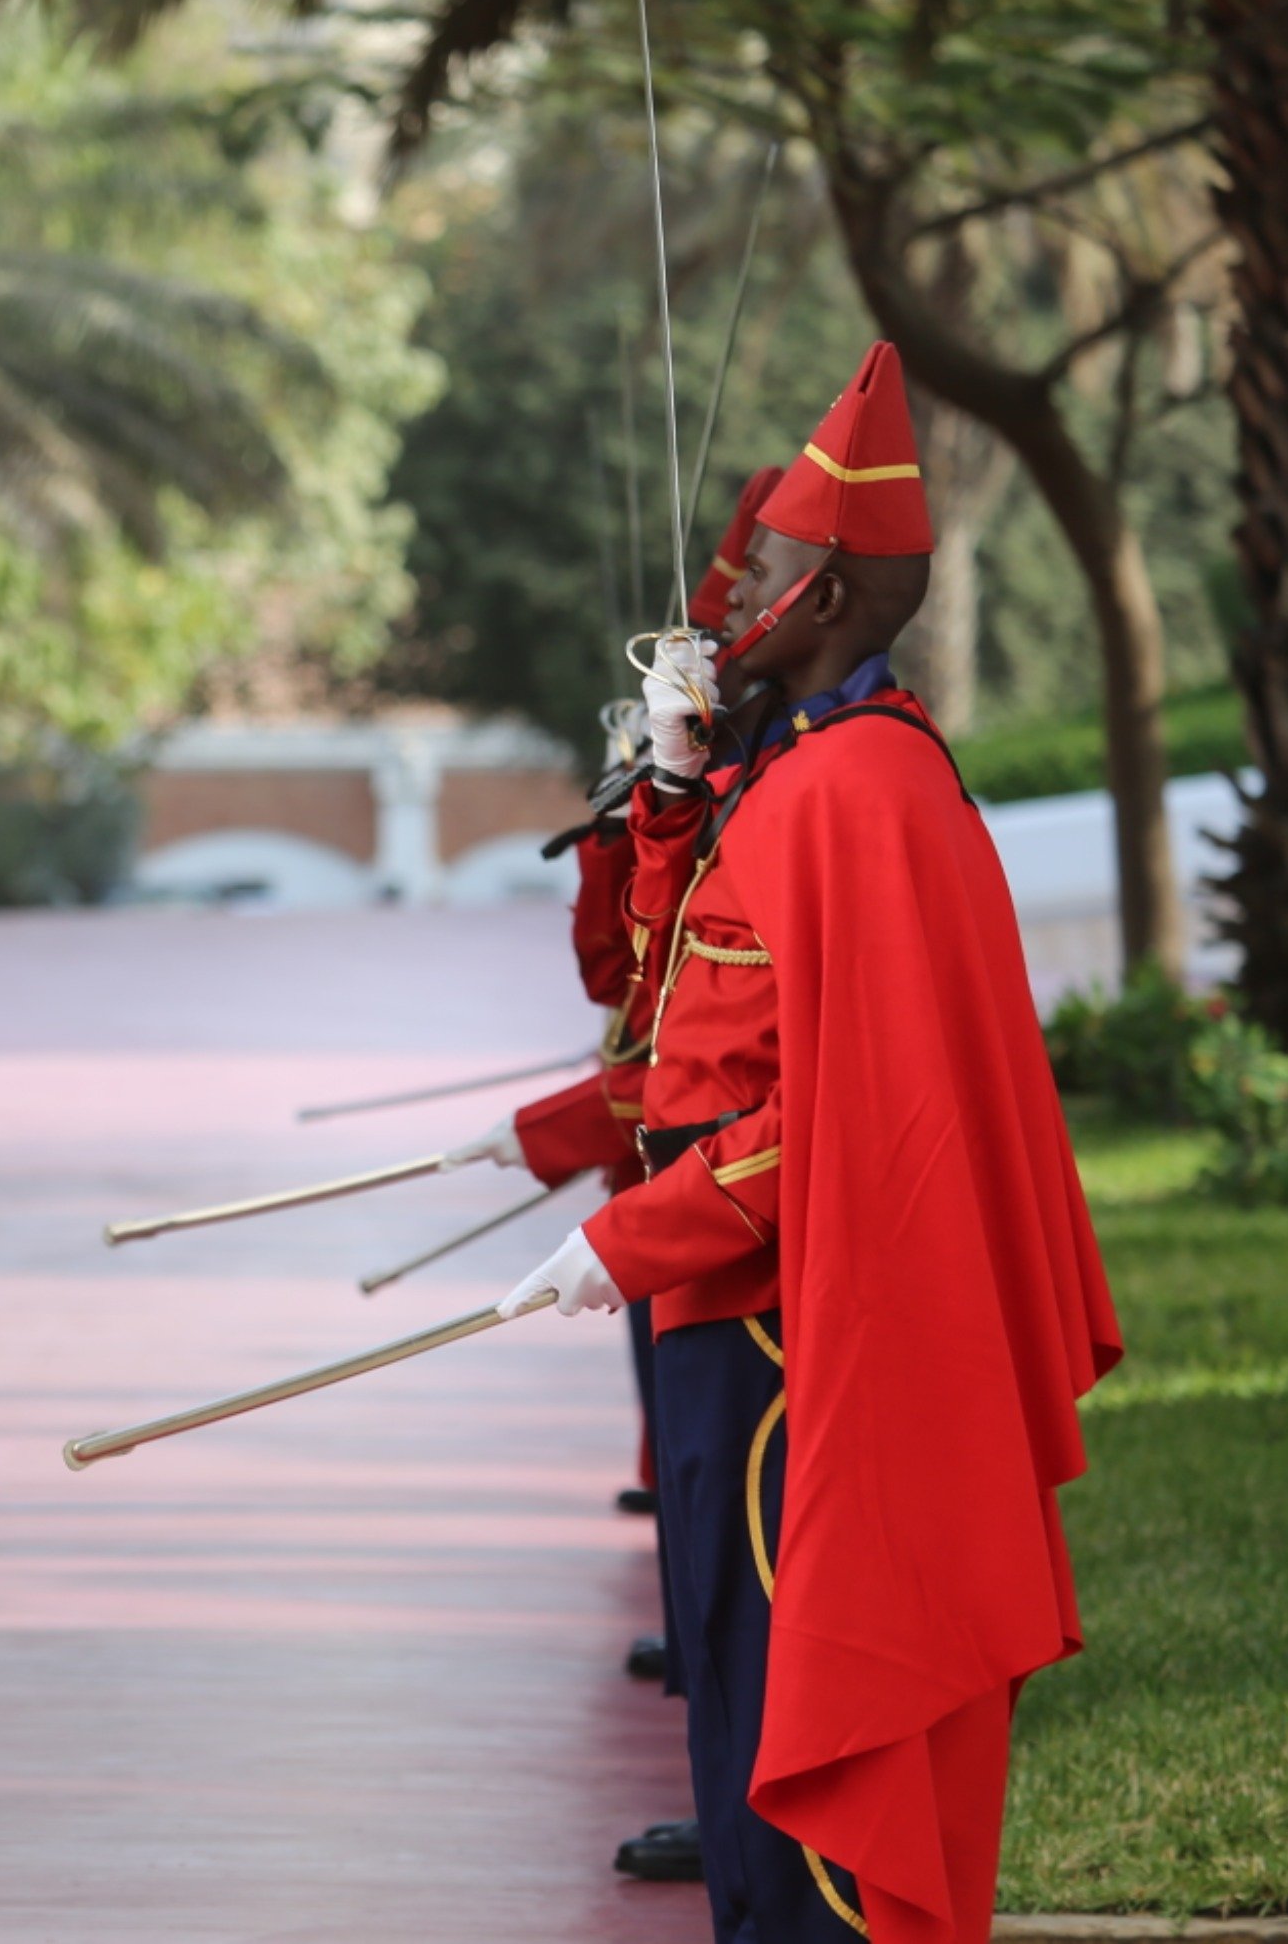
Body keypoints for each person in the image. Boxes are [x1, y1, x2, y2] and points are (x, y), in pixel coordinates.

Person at [497, 343, 1122, 1944]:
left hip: (799, 1324)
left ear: (830, 597)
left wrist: (619, 1240)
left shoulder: (858, 792)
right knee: (728, 1677)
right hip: (727, 1302)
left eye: (763, 573)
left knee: (803, 1729)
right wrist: (666, 799)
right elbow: (669, 1005)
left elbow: (838, 1133)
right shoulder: (786, 773)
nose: (726, 607)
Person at [451, 463, 787, 1890]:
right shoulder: (737, 795)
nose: (705, 656)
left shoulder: (811, 798)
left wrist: (587, 1168)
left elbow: (763, 1081)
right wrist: (648, 800)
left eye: (741, 612)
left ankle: (768, 1854)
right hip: (684, 1213)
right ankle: (737, 1842)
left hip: (748, 1246)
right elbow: (638, 989)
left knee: (747, 1565)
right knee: (710, 1561)